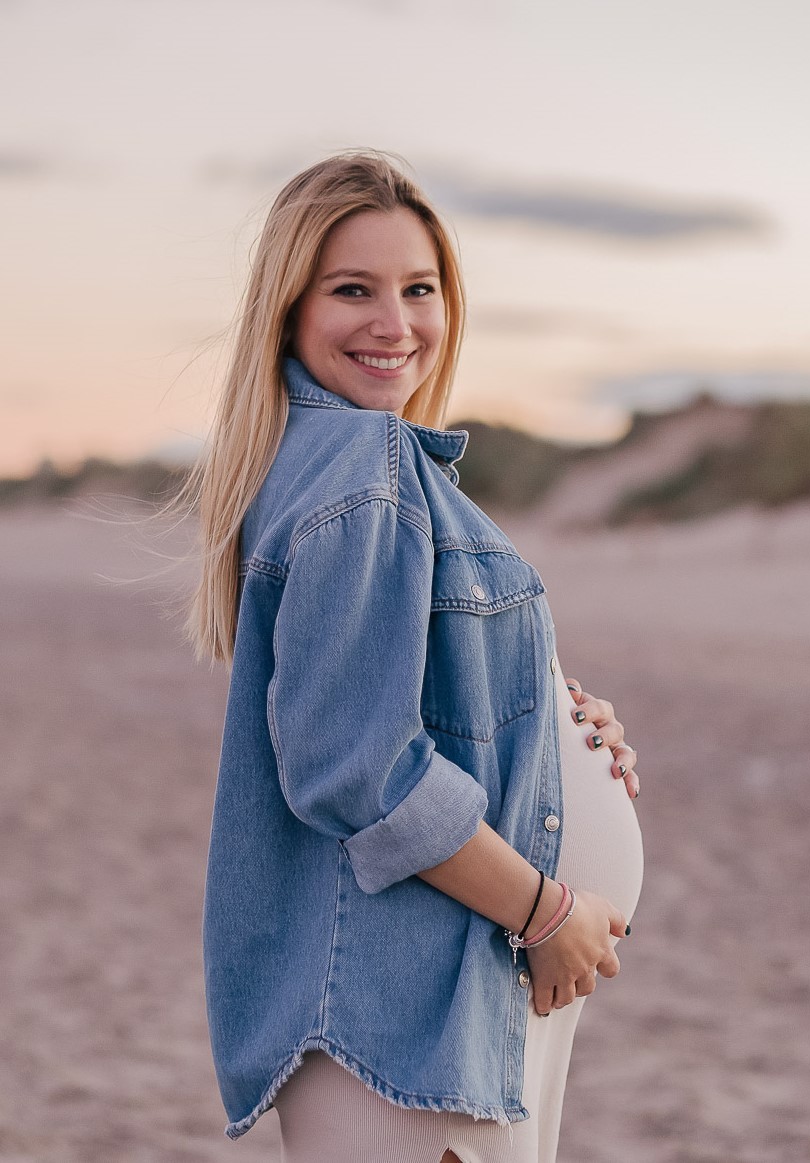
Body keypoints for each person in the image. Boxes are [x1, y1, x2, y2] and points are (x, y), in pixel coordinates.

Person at [191, 150, 644, 1163]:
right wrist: (546, 911)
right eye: (352, 289)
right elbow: (358, 768)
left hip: (446, 997)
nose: (394, 323)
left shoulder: (371, 463)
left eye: (418, 288)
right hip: (405, 1010)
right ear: (288, 309)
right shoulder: (364, 466)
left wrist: (552, 715)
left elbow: (419, 693)